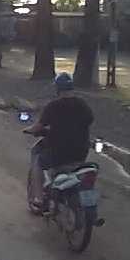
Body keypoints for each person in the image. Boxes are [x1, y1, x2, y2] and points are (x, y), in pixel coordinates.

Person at [24, 72, 94, 211]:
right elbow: (89, 121)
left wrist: (28, 130)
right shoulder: (83, 105)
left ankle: (38, 198)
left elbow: (39, 127)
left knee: (38, 161)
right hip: (80, 153)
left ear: (57, 89)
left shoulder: (53, 106)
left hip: (58, 153)